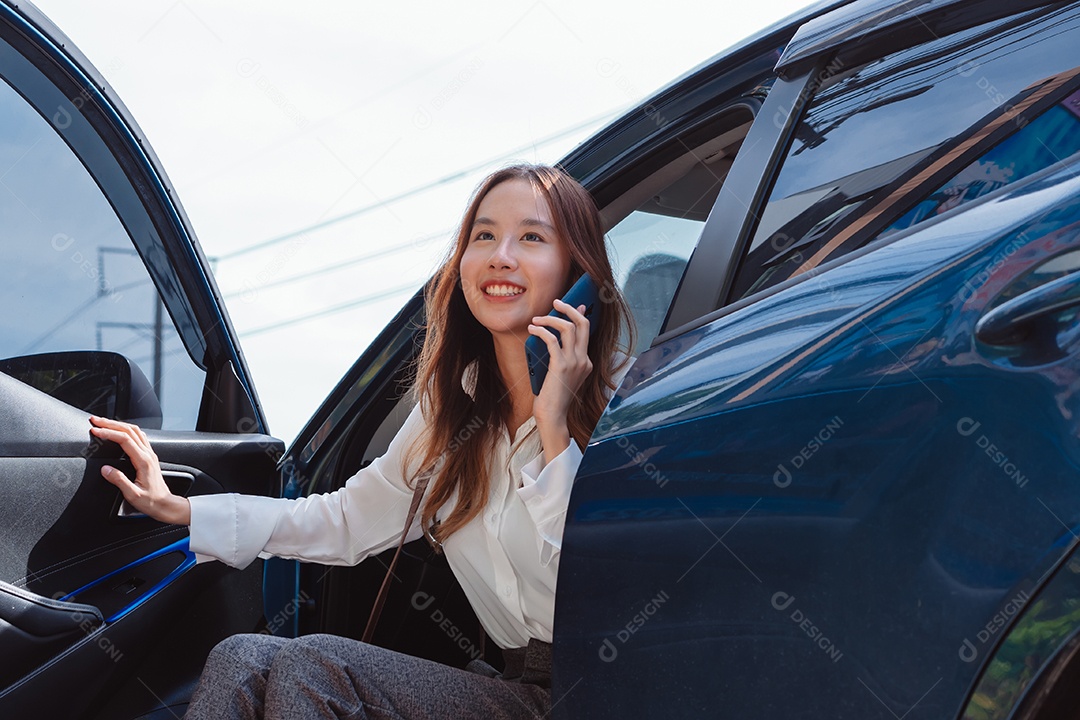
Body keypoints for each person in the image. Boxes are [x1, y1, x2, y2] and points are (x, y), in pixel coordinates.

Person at [88, 163, 635, 719]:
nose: (501, 255)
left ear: (578, 270)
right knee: (243, 658)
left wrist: (554, 425)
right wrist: (183, 509)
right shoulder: (454, 415)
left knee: (317, 666)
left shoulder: (633, 400)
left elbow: (611, 572)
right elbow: (346, 520)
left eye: (533, 237)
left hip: (628, 684)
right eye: (484, 235)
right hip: (520, 687)